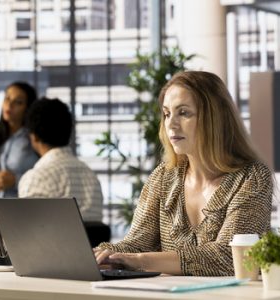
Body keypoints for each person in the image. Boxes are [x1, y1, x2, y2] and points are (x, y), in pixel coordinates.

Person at [94, 71, 273, 276]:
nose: (171, 124)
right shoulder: (163, 177)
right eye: (167, 113)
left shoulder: (252, 177)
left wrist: (140, 260)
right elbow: (136, 245)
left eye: (184, 113)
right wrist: (103, 254)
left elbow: (229, 258)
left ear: (214, 118)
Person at [18, 98, 103, 222]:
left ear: (34, 136)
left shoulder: (36, 178)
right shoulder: (91, 177)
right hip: (88, 242)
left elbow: (25, 231)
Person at [0, 82, 39, 197]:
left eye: (18, 102)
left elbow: (41, 176)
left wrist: (15, 181)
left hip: (22, 207)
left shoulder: (34, 139)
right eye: (7, 98)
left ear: (28, 108)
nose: (9, 104)